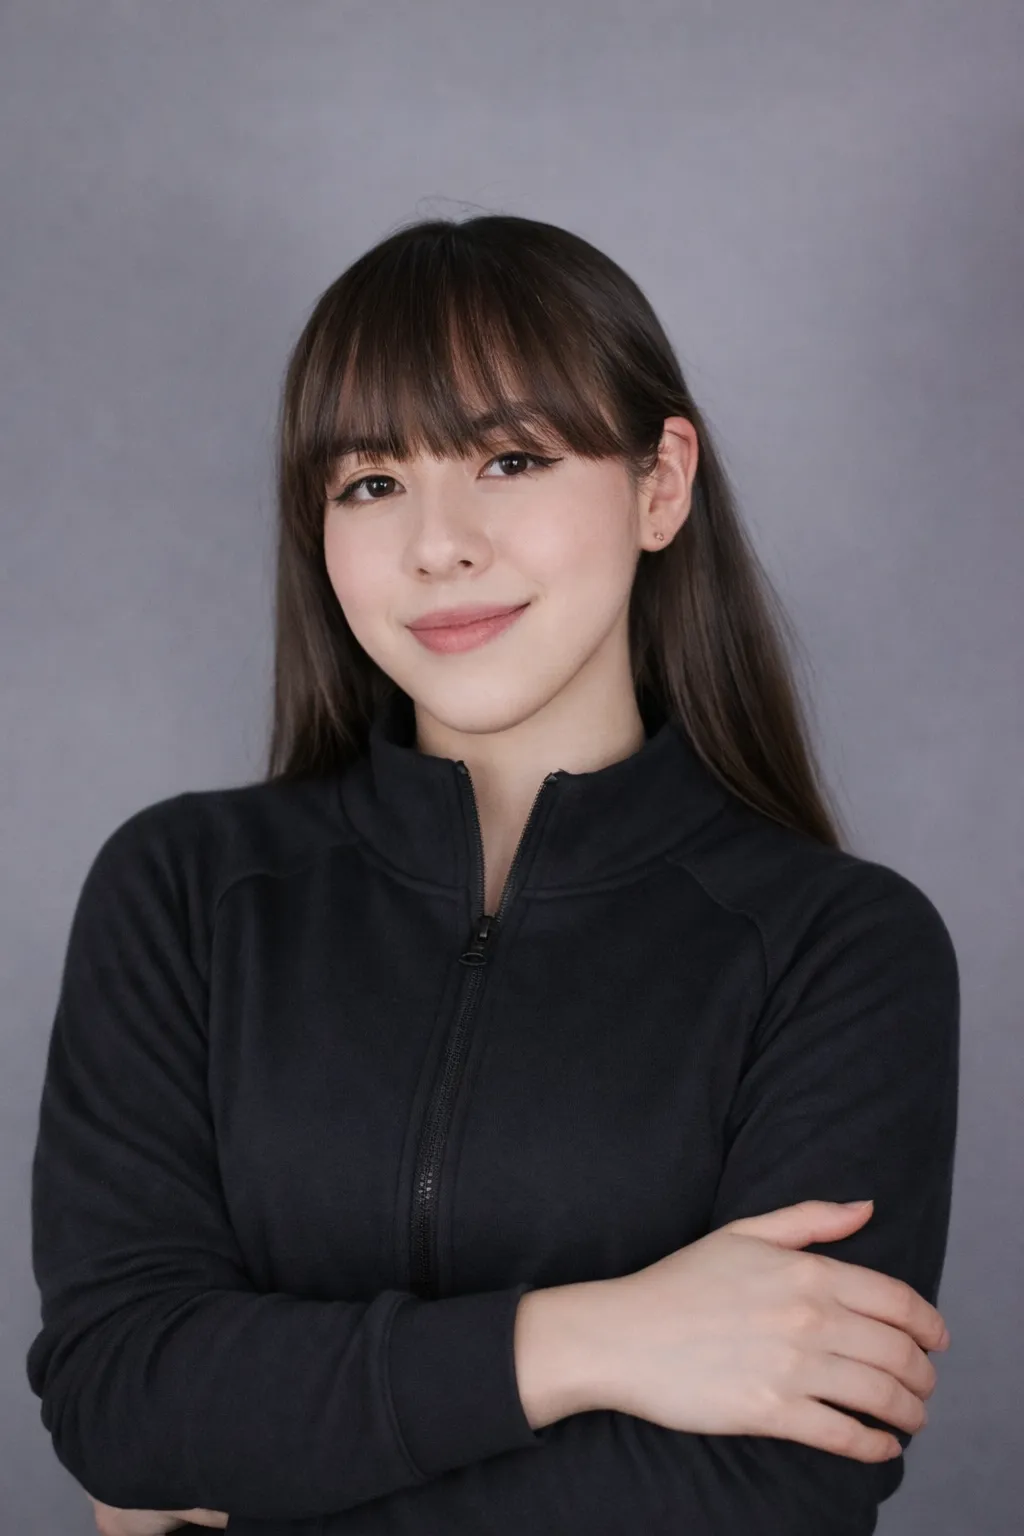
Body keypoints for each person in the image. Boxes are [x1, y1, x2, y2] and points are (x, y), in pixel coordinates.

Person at [27, 213, 958, 1536]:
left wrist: (248, 1470)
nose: (438, 545)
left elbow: (774, 1496)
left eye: (510, 460)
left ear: (660, 484)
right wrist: (591, 1341)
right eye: (370, 483)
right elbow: (120, 1401)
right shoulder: (183, 892)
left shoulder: (840, 949)